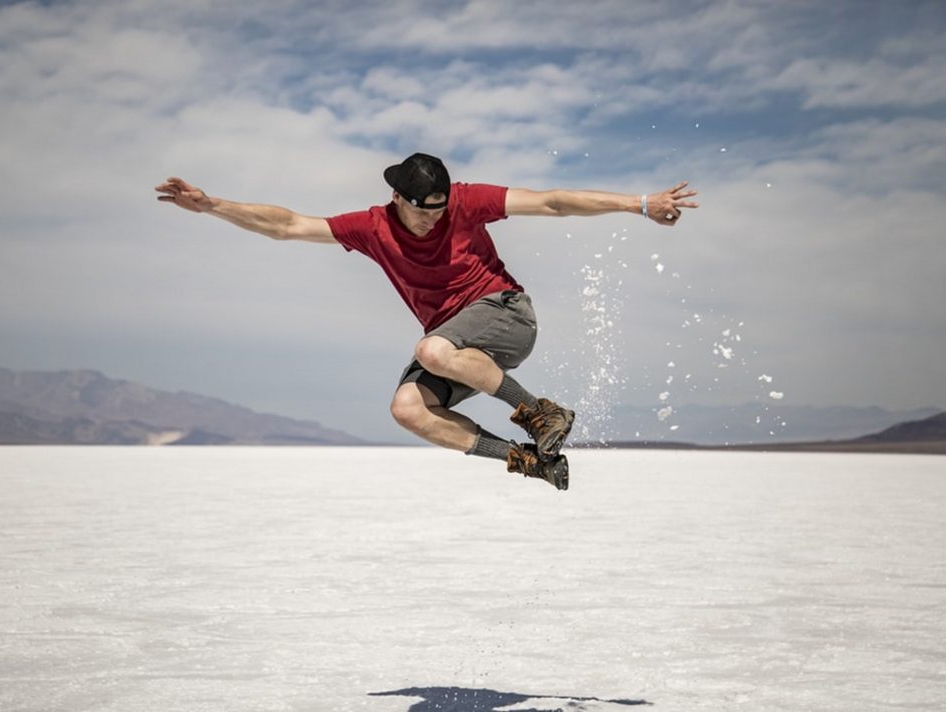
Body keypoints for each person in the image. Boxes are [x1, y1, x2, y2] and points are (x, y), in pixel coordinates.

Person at [155, 153, 698, 490]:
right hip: (458, 346)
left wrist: (639, 204)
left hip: (505, 315)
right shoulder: (370, 227)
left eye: (438, 208)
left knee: (432, 351)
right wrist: (212, 205)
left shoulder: (467, 202)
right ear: (396, 197)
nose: (431, 218)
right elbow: (289, 225)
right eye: (421, 209)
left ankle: (540, 413)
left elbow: (553, 202)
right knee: (408, 408)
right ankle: (526, 459)